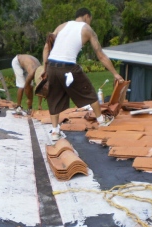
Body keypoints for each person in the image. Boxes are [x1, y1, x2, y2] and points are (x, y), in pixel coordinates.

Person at [42, 7, 124, 141]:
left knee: (53, 98)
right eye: (90, 19)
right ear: (87, 16)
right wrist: (115, 73)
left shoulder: (61, 26)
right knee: (89, 92)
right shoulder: (87, 29)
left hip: (52, 65)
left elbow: (46, 47)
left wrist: (44, 68)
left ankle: (55, 132)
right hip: (68, 67)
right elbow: (101, 55)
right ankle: (101, 121)